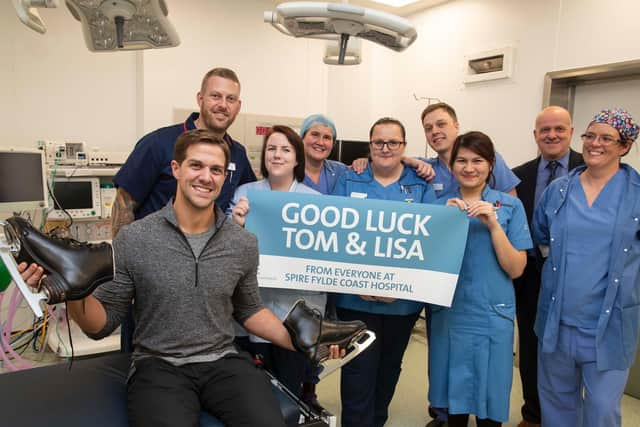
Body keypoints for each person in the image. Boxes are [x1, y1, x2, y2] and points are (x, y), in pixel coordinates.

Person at [18, 129, 342, 427]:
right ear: (176, 169)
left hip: (224, 362)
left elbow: (249, 310)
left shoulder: (242, 242)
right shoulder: (135, 239)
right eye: (196, 166)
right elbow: (99, 324)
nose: (206, 177)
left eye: (216, 170)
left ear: (224, 177)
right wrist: (75, 291)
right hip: (159, 366)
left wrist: (303, 343)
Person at [111, 67, 256, 352]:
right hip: (152, 279)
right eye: (215, 96)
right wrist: (122, 275)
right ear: (200, 98)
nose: (222, 105)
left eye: (230, 99)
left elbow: (254, 202)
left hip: (204, 284)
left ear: (238, 106)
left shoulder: (237, 154)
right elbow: (124, 205)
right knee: (141, 361)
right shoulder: (159, 144)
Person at [533, 108, 640, 427]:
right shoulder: (559, 190)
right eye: (590, 136)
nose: (595, 143)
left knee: (602, 410)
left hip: (610, 327)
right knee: (556, 405)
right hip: (557, 322)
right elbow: (540, 234)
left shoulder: (636, 195)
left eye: (606, 138)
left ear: (624, 146)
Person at [420, 103, 521, 427]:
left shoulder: (509, 206)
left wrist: (493, 225)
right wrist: (444, 225)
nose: (469, 167)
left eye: (477, 160)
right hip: (452, 318)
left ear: (491, 165)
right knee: (454, 405)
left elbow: (516, 268)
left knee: (490, 404)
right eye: (461, 160)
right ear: (451, 167)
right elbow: (425, 266)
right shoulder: (438, 209)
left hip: (493, 316)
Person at [332, 117, 437, 427]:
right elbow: (332, 235)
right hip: (354, 300)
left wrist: (400, 288)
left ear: (404, 147)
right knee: (357, 371)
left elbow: (430, 241)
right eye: (379, 142)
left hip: (400, 303)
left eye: (393, 143)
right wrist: (356, 281)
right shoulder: (351, 179)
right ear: (370, 145)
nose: (386, 148)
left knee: (388, 370)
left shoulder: (420, 186)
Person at [229, 125, 323, 398]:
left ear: (297, 159)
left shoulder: (315, 202)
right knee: (249, 393)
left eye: (285, 150)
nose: (277, 155)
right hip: (249, 309)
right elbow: (224, 248)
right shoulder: (245, 194)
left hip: (293, 313)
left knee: (288, 392)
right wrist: (236, 224)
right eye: (271, 149)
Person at [511, 106, 584, 427]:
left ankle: (568, 417)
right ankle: (533, 415)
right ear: (535, 135)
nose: (551, 135)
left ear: (571, 131)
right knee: (530, 347)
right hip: (531, 277)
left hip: (579, 279)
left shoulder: (592, 167)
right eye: (544, 130)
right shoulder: (519, 175)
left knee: (571, 352)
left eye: (559, 129)